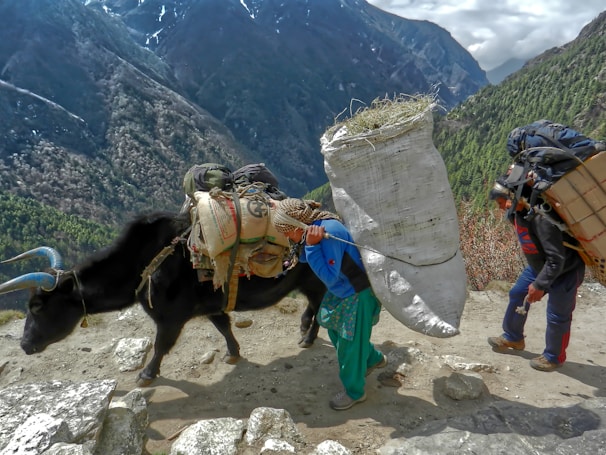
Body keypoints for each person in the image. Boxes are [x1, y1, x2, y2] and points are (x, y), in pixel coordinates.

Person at [272, 198, 386, 410]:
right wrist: (306, 245)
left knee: (348, 343)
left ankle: (355, 392)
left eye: (287, 232)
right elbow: (307, 259)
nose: (287, 237)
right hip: (344, 291)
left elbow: (329, 276)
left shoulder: (327, 235)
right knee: (332, 325)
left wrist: (313, 247)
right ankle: (372, 359)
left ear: (297, 225)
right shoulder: (316, 227)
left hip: (356, 293)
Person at [487, 178, 585, 371]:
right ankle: (513, 337)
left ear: (514, 197)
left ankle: (553, 357)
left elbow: (557, 259)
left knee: (557, 315)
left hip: (566, 271)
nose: (501, 208)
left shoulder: (541, 219)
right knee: (517, 294)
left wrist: (539, 285)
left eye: (502, 202)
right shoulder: (517, 214)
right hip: (539, 267)